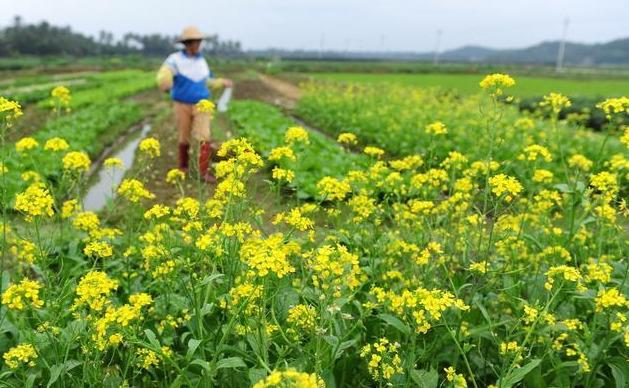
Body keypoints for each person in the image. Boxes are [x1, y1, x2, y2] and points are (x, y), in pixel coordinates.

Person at [156, 26, 232, 183]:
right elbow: (165, 72)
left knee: (204, 136)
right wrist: (164, 81)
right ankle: (183, 167)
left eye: (198, 42)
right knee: (184, 135)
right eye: (193, 42)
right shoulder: (175, 59)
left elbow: (208, 81)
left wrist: (221, 82)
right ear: (186, 44)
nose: (196, 45)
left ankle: (203, 171)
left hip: (202, 104)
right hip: (181, 103)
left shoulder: (202, 61)